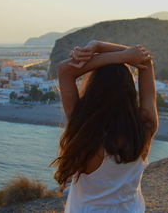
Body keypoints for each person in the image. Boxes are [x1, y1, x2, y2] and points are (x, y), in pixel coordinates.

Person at [52, 40, 158, 212]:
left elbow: (65, 70)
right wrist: (106, 50)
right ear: (130, 90)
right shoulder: (145, 126)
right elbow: (145, 61)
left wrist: (106, 51)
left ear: (93, 88)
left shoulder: (84, 129)